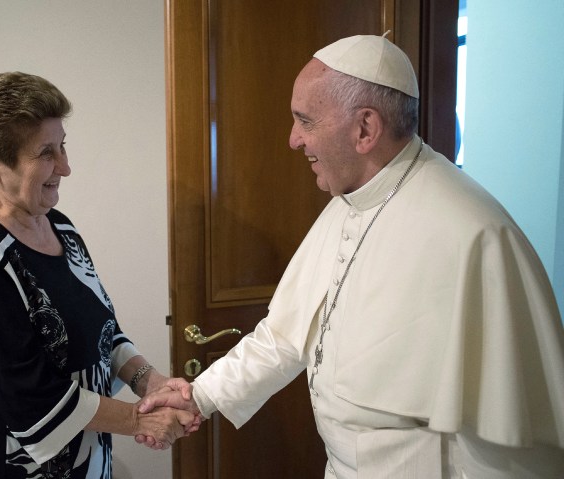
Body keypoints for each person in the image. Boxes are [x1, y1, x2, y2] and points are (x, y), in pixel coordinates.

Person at [139, 35, 564, 477]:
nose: (293, 140)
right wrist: (200, 396)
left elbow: (506, 441)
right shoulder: (350, 201)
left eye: (305, 121)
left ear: (364, 129)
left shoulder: (473, 232)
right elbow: (286, 336)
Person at [0, 72, 196, 479]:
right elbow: (28, 393)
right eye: (46, 153)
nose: (66, 168)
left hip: (84, 459)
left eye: (63, 147)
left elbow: (102, 329)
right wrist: (141, 420)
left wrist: (151, 383)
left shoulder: (60, 226)